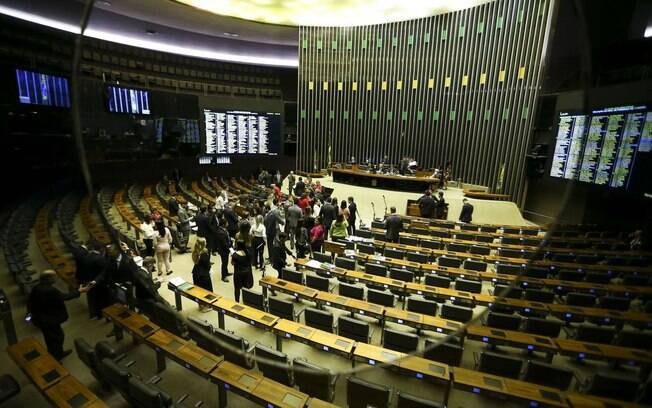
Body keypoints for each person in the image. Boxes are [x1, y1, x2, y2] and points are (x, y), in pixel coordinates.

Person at [27, 270, 80, 360]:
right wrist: (79, 291)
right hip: (49, 319)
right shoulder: (50, 290)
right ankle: (56, 358)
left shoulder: (37, 287)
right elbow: (64, 297)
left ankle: (58, 353)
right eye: (54, 277)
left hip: (41, 318)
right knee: (57, 338)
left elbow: (30, 303)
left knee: (51, 338)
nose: (56, 278)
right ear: (48, 278)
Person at [191, 238, 213, 312]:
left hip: (196, 273)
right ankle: (206, 306)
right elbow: (207, 265)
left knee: (198, 290)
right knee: (206, 290)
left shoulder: (195, 252)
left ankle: (200, 305)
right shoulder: (204, 253)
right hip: (203, 275)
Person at [215, 217, 233, 282]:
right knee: (224, 263)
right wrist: (230, 248)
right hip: (223, 250)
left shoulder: (223, 229)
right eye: (227, 223)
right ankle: (223, 276)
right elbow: (224, 244)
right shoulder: (220, 232)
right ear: (223, 224)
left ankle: (226, 272)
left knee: (226, 262)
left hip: (225, 249)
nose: (228, 223)